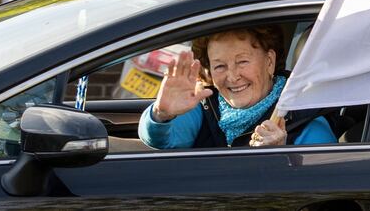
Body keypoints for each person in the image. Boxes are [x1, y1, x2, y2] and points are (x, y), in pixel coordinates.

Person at [138, 26, 337, 148]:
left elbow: (324, 193)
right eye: (220, 66)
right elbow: (162, 141)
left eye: (242, 62)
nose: (232, 77)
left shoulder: (307, 123)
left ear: (269, 61)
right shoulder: (205, 104)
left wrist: (283, 156)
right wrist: (161, 115)